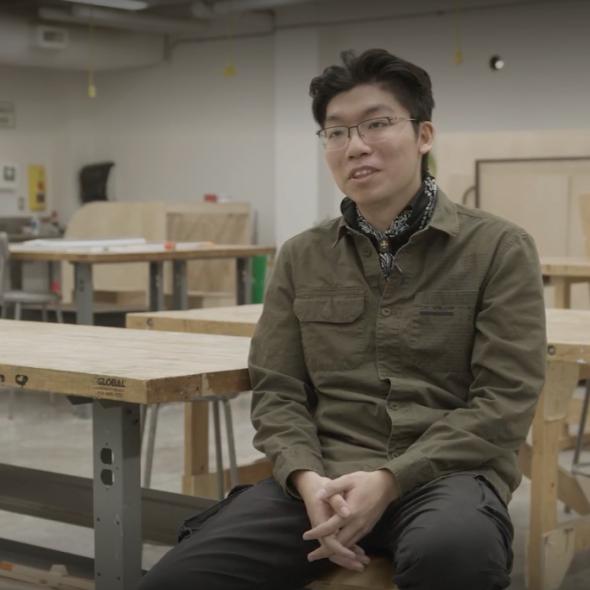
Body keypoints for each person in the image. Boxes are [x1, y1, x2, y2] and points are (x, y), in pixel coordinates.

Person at [138, 48, 546, 590]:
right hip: (320, 478)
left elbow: (505, 399)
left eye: (377, 124)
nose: (355, 146)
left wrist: (389, 480)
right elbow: (278, 389)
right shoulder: (301, 255)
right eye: (336, 133)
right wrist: (306, 479)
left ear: (424, 135)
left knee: (455, 558)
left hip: (445, 476)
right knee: (180, 580)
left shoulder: (498, 247)